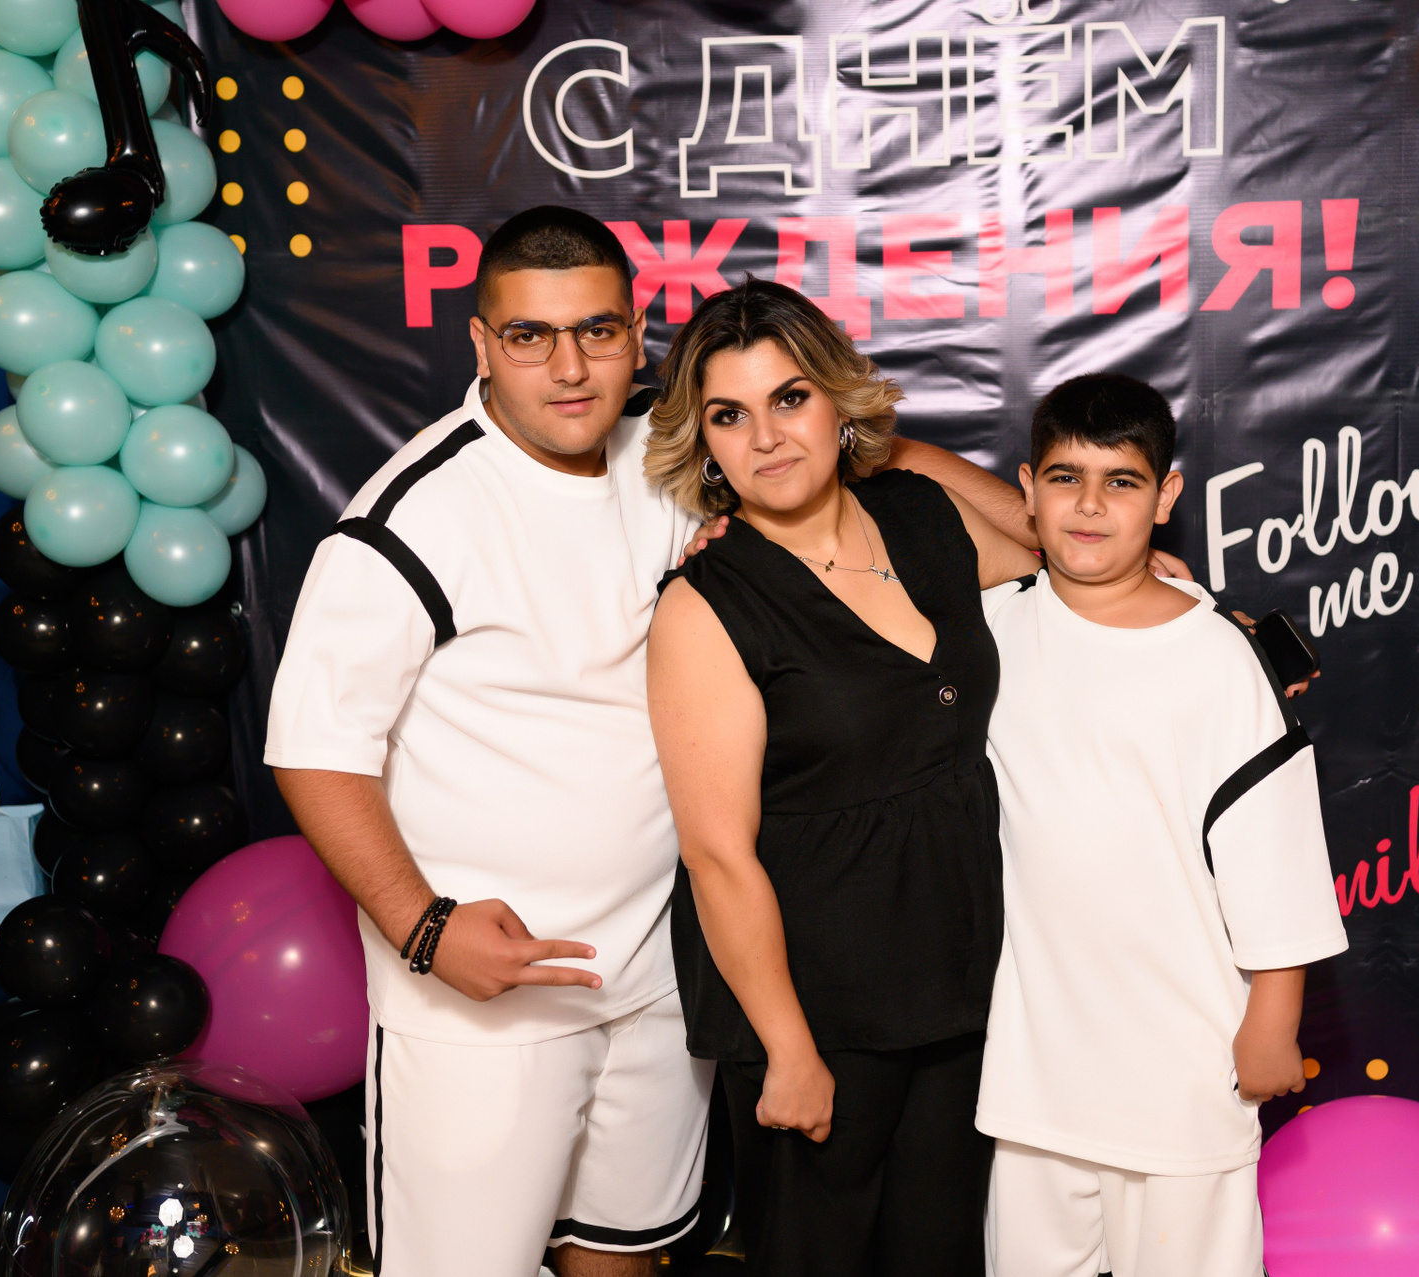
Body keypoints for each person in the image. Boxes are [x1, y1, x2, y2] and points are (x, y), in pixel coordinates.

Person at [264, 209, 1036, 1277]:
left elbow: (842, 451)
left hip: (662, 970)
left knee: (624, 1253)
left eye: (596, 331)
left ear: (636, 335)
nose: (568, 366)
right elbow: (314, 749)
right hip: (494, 988)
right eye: (530, 336)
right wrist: (425, 928)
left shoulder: (665, 445)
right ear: (481, 343)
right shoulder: (409, 519)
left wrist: (1096, 554)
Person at [643, 278, 1048, 1277]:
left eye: (792, 398)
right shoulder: (705, 604)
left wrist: (1198, 627)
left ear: (836, 399)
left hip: (960, 986)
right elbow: (716, 854)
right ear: (705, 442)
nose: (766, 437)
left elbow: (1060, 561)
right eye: (730, 415)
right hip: (816, 1012)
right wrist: (788, 1048)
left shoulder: (919, 516)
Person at [976, 374, 1348, 1277]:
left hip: (1184, 1060)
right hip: (1036, 1068)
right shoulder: (990, 627)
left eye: (1122, 481)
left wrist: (1273, 1018)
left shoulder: (1220, 657)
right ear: (1026, 489)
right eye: (1064, 478)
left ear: (1167, 494)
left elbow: (1275, 848)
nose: (1089, 505)